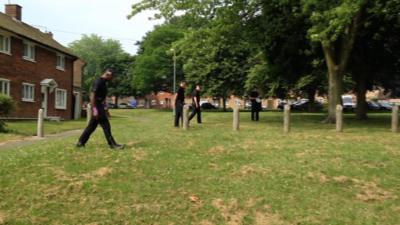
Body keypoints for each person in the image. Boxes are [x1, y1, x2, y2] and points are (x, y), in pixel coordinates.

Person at [76, 68, 124, 149]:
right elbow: (92, 95)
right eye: (111, 77)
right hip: (96, 106)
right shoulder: (98, 82)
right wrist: (94, 110)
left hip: (100, 106)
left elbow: (102, 97)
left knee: (91, 127)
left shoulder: (104, 83)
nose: (112, 79)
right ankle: (112, 144)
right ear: (107, 74)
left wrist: (106, 109)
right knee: (106, 126)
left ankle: (80, 143)